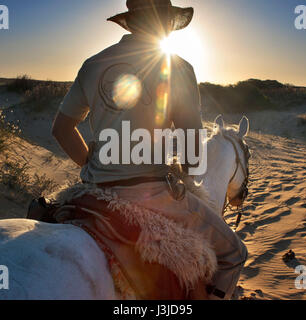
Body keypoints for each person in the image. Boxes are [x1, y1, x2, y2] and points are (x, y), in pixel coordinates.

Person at [52, 0, 247, 299]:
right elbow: (192, 146)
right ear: (167, 23)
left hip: (93, 189)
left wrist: (91, 166)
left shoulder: (93, 64)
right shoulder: (177, 66)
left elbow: (62, 129)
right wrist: (184, 172)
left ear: (130, 22)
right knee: (234, 253)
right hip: (152, 193)